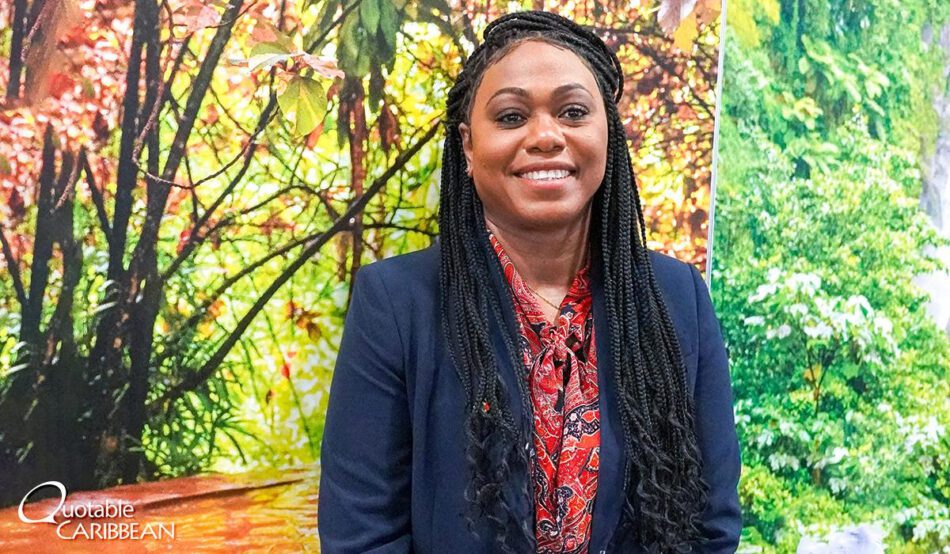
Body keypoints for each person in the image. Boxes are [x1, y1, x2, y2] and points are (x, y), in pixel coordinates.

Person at [318, 10, 741, 554]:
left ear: (608, 133)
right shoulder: (397, 304)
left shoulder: (677, 298)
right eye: (512, 116)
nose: (545, 136)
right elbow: (362, 536)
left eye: (573, 112)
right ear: (468, 146)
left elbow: (710, 526)